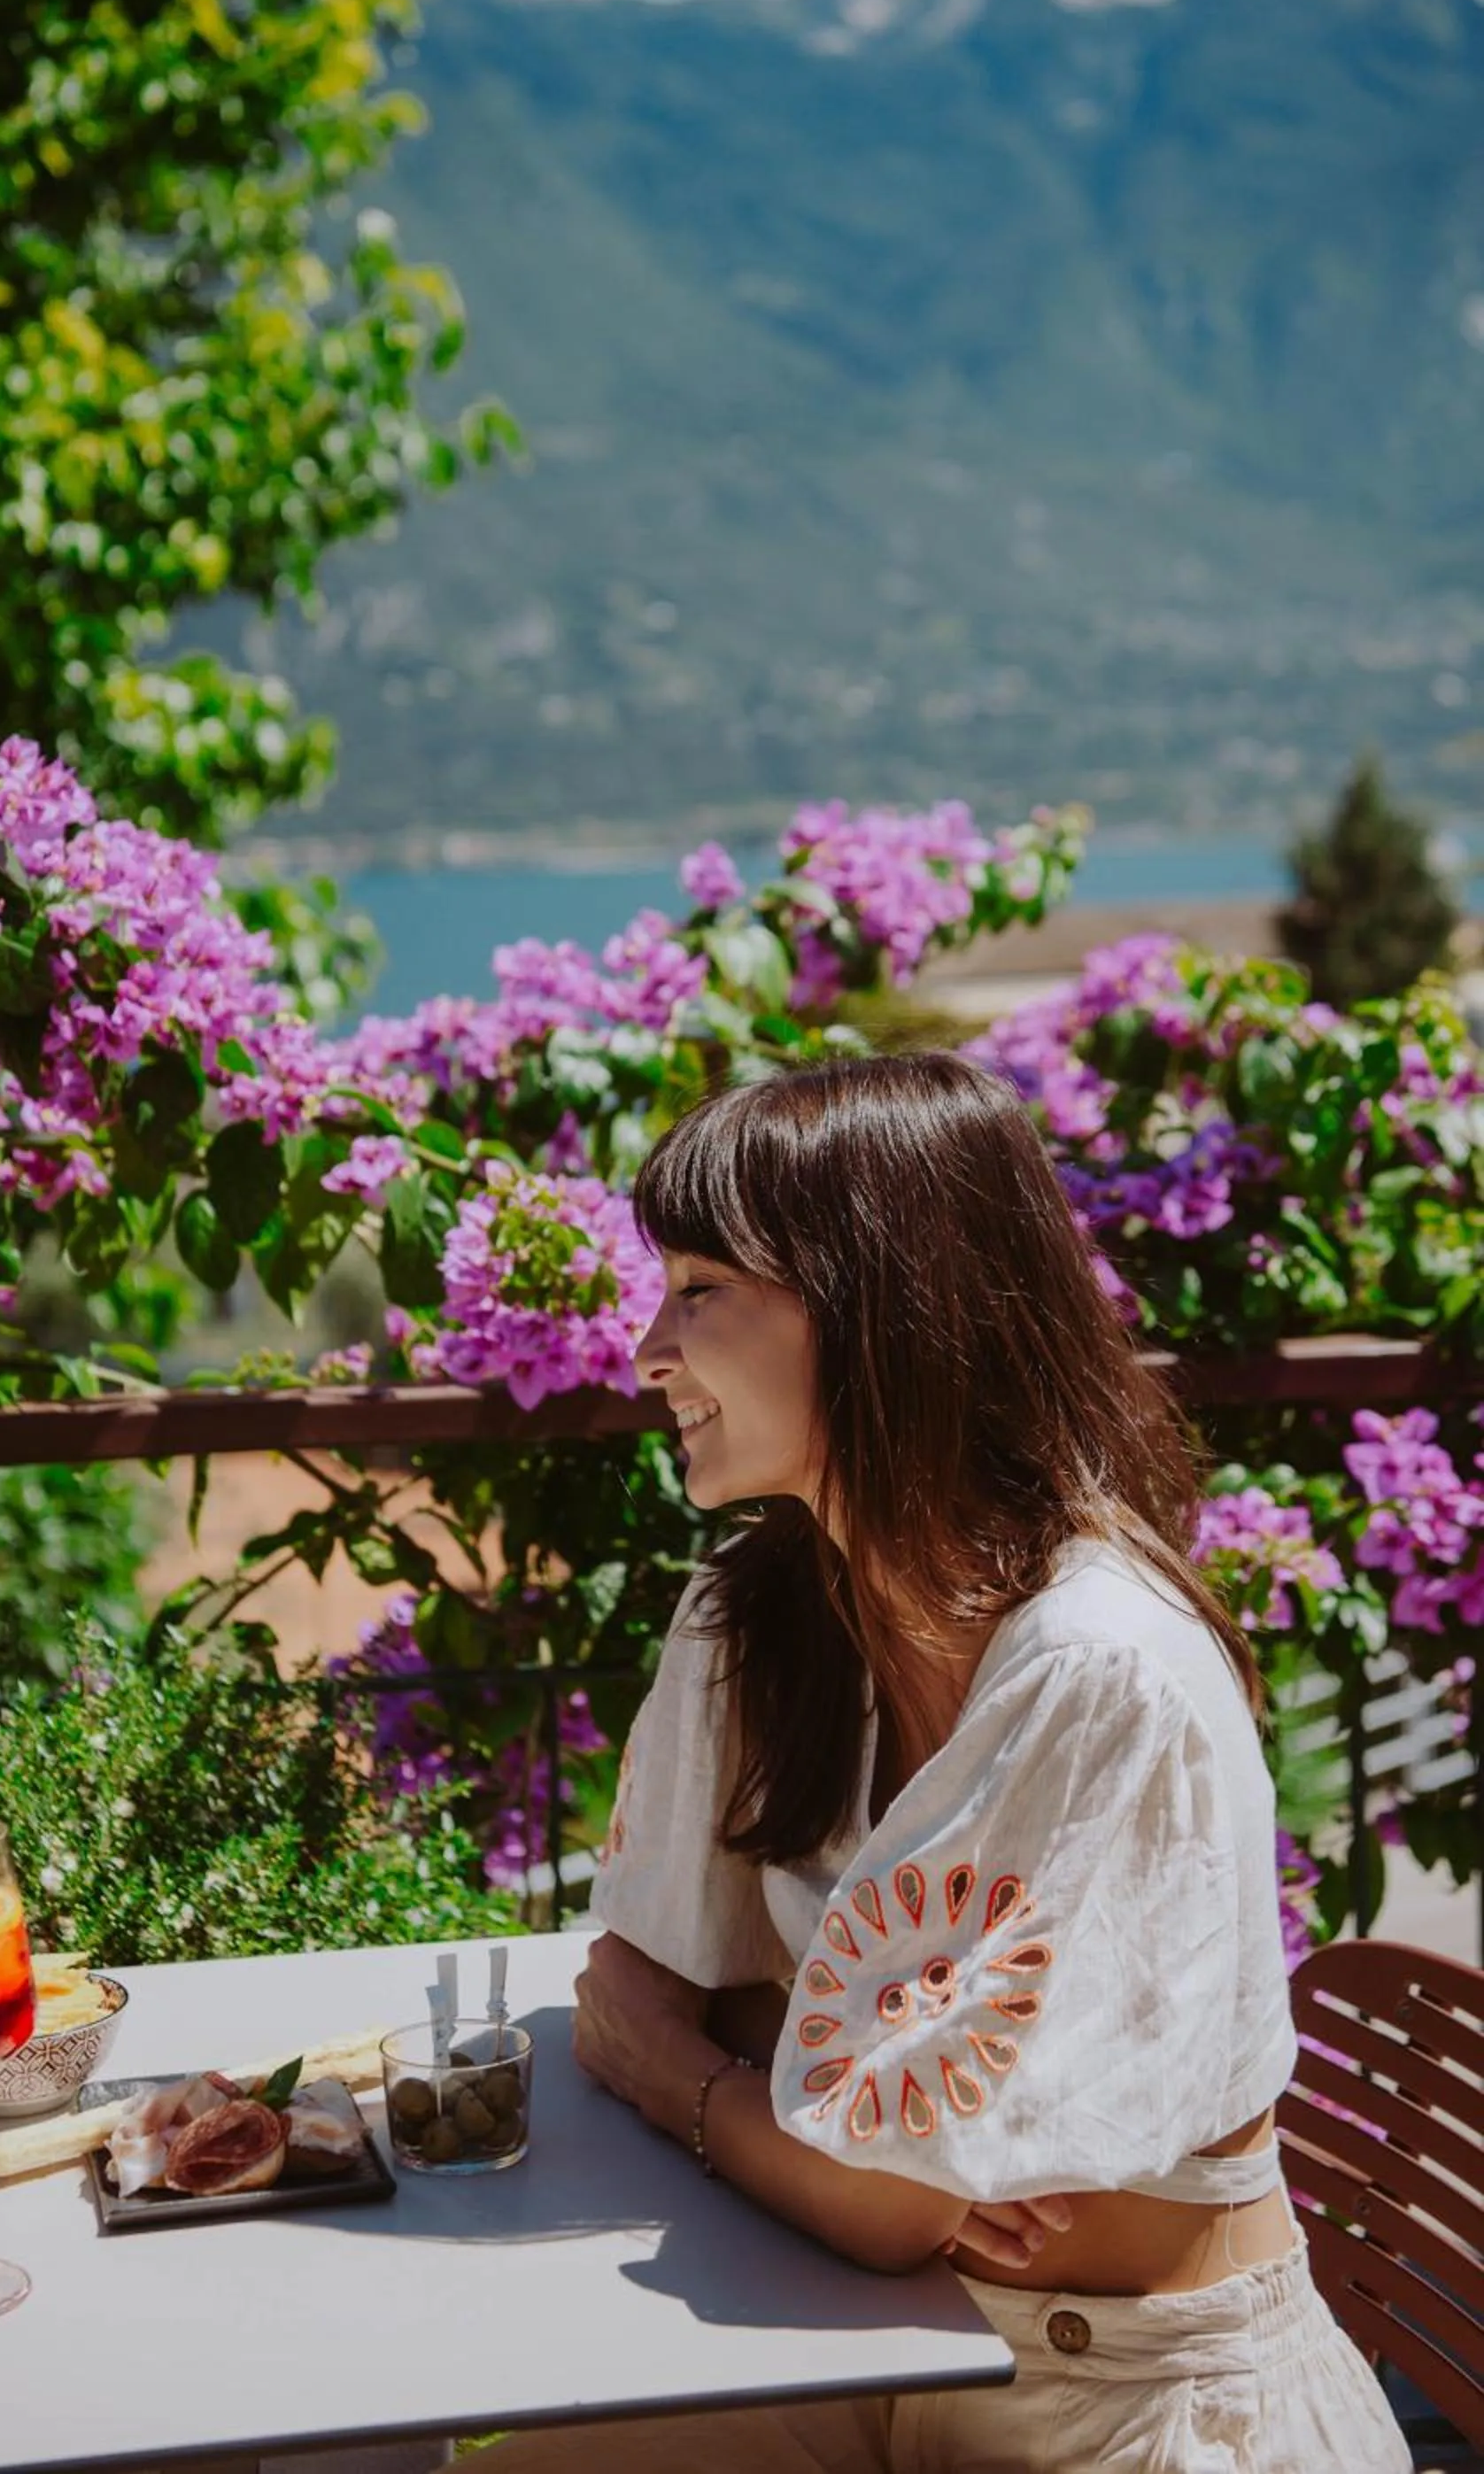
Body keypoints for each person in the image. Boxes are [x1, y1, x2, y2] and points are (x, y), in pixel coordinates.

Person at [486, 1054, 1410, 2472]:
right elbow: (663, 1982)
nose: (647, 1351)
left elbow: (855, 2173)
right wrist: (791, 2100)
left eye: (700, 1290)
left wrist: (681, 2073)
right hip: (876, 2335)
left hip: (1139, 2408)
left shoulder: (1096, 1664)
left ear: (873, 1307)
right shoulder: (766, 1617)